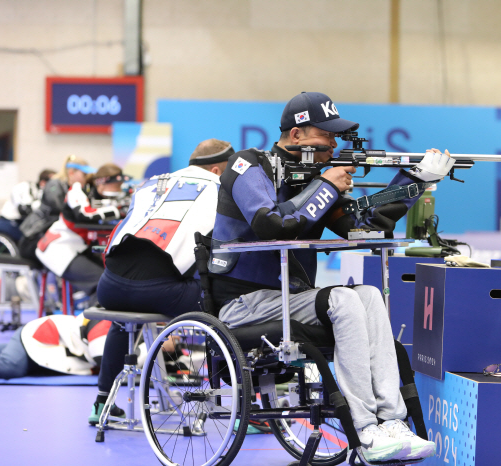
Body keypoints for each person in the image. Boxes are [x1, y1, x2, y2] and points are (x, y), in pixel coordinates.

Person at [210, 92, 455, 462]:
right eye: (326, 136)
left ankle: (391, 422)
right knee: (341, 298)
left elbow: (362, 230)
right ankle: (364, 430)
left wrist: (413, 182)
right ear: (296, 136)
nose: (333, 145)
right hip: (242, 303)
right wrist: (325, 186)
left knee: (370, 294)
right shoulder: (248, 165)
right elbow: (271, 225)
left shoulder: (311, 181)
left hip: (290, 300)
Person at [88, 139, 231, 424]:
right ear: (217, 169)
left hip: (109, 288)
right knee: (224, 302)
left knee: (123, 321)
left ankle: (101, 403)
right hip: (157, 292)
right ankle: (213, 399)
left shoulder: (155, 181)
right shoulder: (219, 190)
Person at [35, 163, 127, 307]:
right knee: (102, 284)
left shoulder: (105, 198)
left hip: (79, 247)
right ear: (101, 184)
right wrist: (116, 211)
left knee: (115, 279)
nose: (119, 190)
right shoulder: (78, 191)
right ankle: (93, 326)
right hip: (58, 248)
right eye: (116, 186)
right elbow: (85, 215)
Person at [0, 313, 110, 379]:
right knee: (9, 366)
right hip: (40, 340)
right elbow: (108, 366)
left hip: (44, 342)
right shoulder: (105, 326)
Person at [18, 155, 95, 262]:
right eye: (84, 174)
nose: (86, 178)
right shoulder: (54, 185)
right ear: (71, 172)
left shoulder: (72, 188)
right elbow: (61, 209)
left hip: (50, 238)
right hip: (35, 239)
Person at [0, 169, 56, 242]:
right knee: (31, 239)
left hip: (21, 222)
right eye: (53, 183)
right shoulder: (24, 187)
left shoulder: (42, 192)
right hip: (7, 222)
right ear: (43, 183)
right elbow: (24, 210)